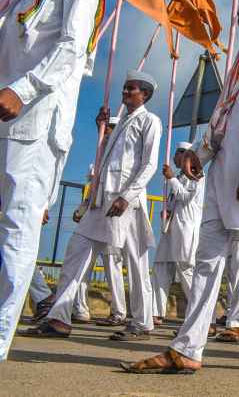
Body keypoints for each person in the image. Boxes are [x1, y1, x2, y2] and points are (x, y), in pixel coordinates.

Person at [123, 0, 239, 375]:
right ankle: (187, 348)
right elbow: (222, 116)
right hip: (223, 176)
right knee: (205, 262)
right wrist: (200, 154)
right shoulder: (238, 63)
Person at [0, 0, 105, 360]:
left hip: (34, 118)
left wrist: (20, 90)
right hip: (5, 113)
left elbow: (72, 45)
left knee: (19, 227)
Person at [23, 71, 160, 341]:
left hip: (126, 204)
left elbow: (149, 164)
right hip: (100, 202)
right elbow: (106, 161)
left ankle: (142, 323)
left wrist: (127, 196)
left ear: (144, 94)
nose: (125, 92)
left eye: (131, 89)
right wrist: (102, 128)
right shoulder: (119, 123)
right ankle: (59, 318)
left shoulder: (150, 121)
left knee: (135, 262)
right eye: (124, 87)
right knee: (76, 254)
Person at [152, 141, 205, 324]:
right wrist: (167, 210)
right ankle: (156, 312)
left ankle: (203, 317)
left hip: (185, 230)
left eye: (177, 153)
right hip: (170, 229)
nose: (174, 157)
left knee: (186, 272)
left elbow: (186, 197)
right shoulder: (180, 176)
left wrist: (171, 178)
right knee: (160, 268)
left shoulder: (196, 173)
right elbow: (177, 201)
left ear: (185, 155)